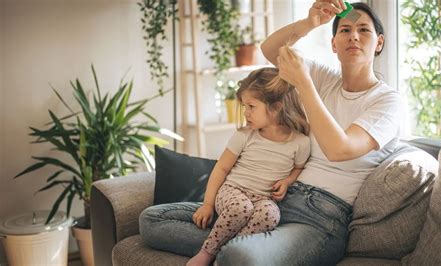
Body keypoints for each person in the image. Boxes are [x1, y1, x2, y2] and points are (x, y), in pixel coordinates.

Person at [140, 1, 403, 265]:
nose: (354, 36)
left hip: (321, 218)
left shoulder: (386, 101)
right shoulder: (326, 79)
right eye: (345, 30)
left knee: (237, 256)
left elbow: (339, 149)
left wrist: (304, 83)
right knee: (152, 220)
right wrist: (309, 23)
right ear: (334, 44)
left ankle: (225, 247)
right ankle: (231, 242)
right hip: (273, 202)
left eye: (364, 30)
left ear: (379, 42)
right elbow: (270, 49)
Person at [185, 67, 310, 266]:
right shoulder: (245, 135)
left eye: (251, 106)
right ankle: (207, 252)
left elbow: (298, 168)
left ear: (276, 108)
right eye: (245, 106)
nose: (246, 113)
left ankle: (227, 253)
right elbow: (221, 169)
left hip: (263, 198)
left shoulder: (300, 142)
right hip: (233, 190)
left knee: (271, 215)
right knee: (241, 207)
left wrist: (287, 181)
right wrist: (207, 204)